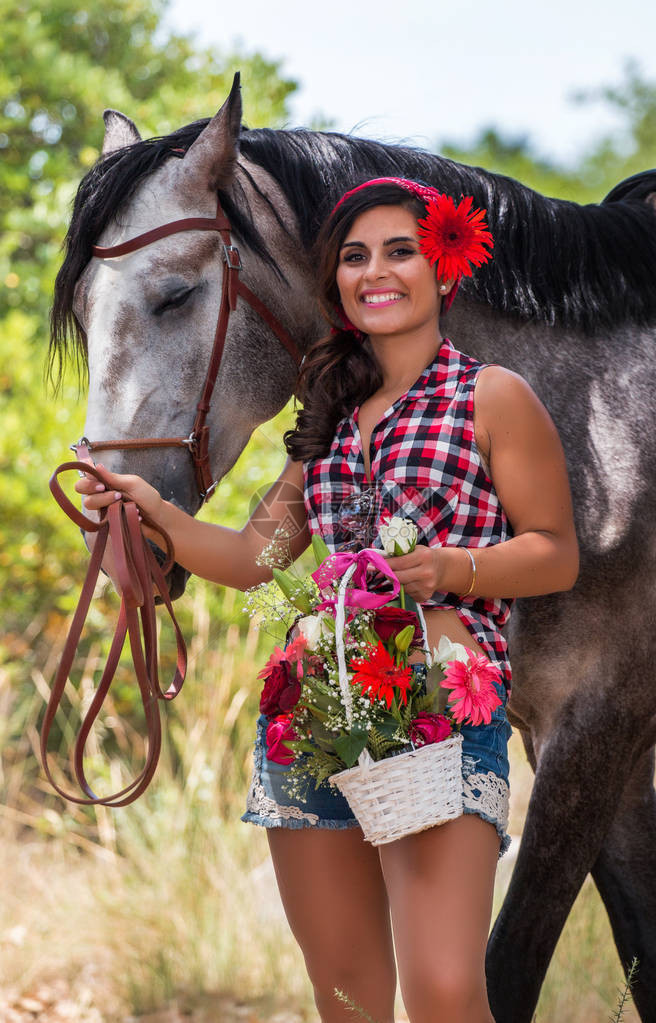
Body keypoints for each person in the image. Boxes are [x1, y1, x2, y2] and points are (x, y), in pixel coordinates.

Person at [76, 177, 579, 1023]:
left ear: (444, 269)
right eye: (354, 257)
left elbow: (555, 553)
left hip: (438, 710)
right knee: (346, 998)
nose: (374, 271)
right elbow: (251, 556)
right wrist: (153, 515)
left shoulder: (491, 396)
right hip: (310, 713)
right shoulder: (330, 418)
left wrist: (455, 570)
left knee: (446, 991)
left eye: (398, 251)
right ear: (336, 284)